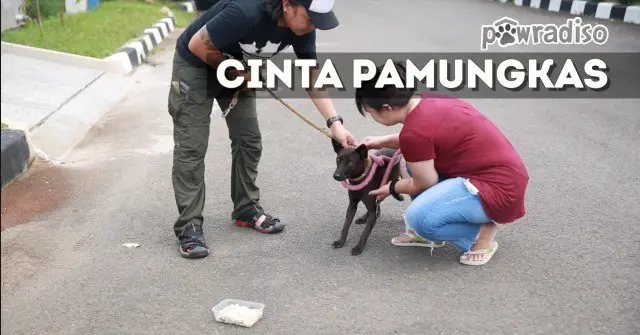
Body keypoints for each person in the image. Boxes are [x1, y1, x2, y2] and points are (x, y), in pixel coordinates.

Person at [168, 0, 357, 259]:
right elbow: (198, 44)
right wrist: (236, 72)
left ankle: (246, 209)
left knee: (249, 140)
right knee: (193, 145)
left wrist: (335, 123)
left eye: (317, 21)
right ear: (287, 4)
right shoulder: (245, 12)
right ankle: (189, 225)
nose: (313, 25)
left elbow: (311, 75)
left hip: (237, 68)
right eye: (310, 18)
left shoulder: (302, 28)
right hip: (196, 64)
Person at [356, 63, 529, 266]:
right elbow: (421, 139)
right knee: (409, 161)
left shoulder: (415, 133)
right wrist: (382, 141)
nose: (371, 117)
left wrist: (391, 187)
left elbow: (423, 182)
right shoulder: (429, 100)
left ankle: (480, 234)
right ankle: (436, 225)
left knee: (419, 219)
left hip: (497, 189)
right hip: (504, 175)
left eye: (370, 111)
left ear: (386, 108)